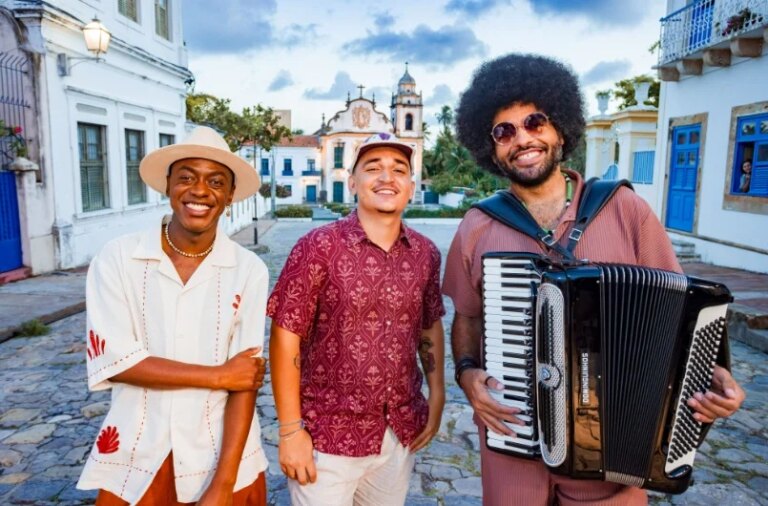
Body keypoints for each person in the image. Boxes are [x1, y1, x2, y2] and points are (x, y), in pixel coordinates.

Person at [442, 53, 746, 506]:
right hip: (512, 438)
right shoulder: (478, 225)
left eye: (535, 122)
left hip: (611, 444)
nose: (522, 138)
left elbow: (686, 313)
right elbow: (467, 317)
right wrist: (467, 376)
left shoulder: (625, 210)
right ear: (492, 149)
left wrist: (716, 376)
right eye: (504, 131)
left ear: (560, 129)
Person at [76, 126, 270, 505]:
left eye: (216, 181)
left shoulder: (248, 270)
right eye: (186, 177)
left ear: (230, 196)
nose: (200, 190)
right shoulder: (117, 258)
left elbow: (245, 378)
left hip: (223, 454)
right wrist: (218, 375)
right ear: (168, 186)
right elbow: (116, 362)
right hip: (137, 452)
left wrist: (222, 485)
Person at [267, 133, 445, 505]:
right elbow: (286, 336)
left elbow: (430, 324)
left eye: (399, 170)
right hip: (325, 435)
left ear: (411, 187)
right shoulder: (318, 246)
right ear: (353, 183)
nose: (387, 177)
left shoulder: (426, 254)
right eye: (373, 168)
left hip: (397, 432)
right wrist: (289, 431)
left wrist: (438, 394)